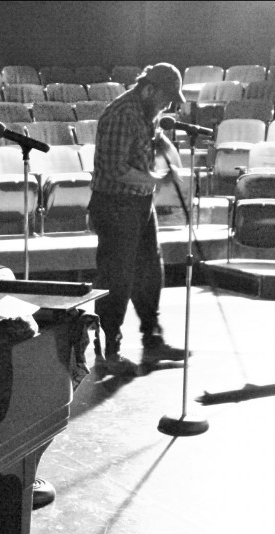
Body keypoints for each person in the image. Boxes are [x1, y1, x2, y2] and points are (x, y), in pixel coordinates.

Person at [89, 63, 188, 377]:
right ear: (149, 89)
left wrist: (171, 154)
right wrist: (157, 180)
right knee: (116, 276)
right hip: (115, 204)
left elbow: (155, 138)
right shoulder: (121, 115)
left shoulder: (146, 112)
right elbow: (116, 169)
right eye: (166, 98)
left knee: (149, 269)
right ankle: (110, 350)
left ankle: (151, 338)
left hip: (139, 202)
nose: (168, 106)